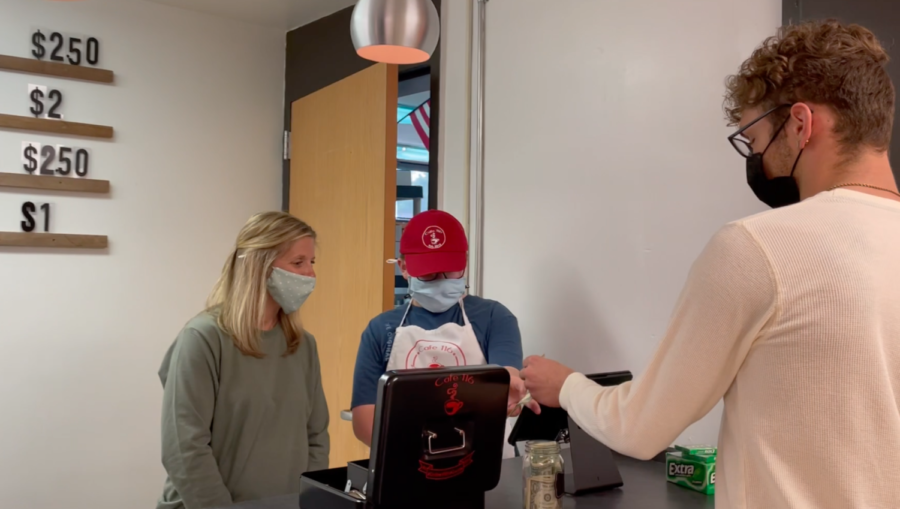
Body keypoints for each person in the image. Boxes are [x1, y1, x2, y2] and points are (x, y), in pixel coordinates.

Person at [520, 20, 900, 509]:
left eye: (756, 138)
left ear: (802, 124)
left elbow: (640, 427)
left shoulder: (757, 248)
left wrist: (566, 385)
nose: (757, 157)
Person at [157, 212, 329, 509]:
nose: (310, 274)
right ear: (258, 266)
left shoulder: (302, 345)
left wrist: (308, 499)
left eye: (311, 263)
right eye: (298, 262)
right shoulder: (203, 338)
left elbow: (316, 437)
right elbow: (184, 448)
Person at [350, 210, 538, 456]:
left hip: (484, 462)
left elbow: (507, 376)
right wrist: (421, 449)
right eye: (428, 274)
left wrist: (510, 389)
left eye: (450, 271)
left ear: (464, 263)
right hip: (407, 463)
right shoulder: (381, 330)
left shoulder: (494, 317)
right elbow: (365, 420)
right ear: (404, 267)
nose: (440, 281)